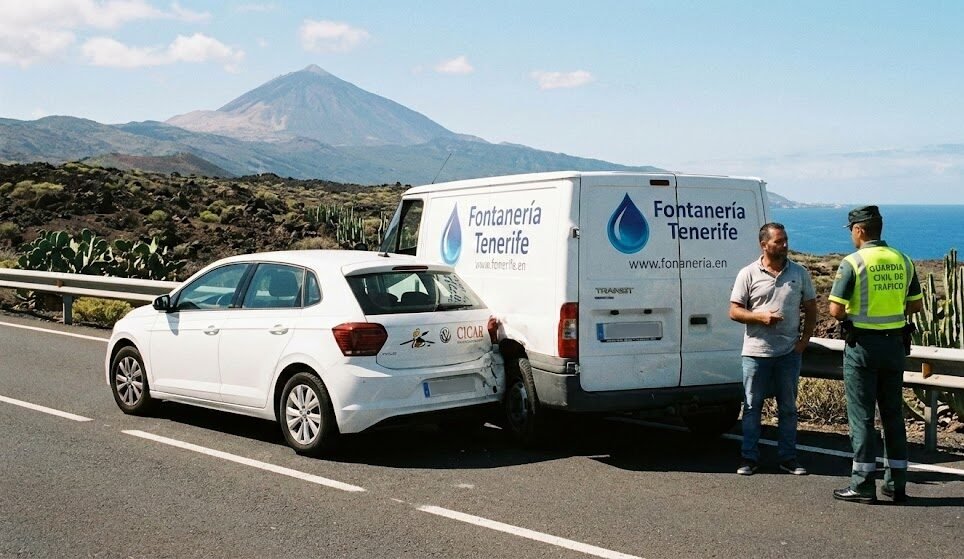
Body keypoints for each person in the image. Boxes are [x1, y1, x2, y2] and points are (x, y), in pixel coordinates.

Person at [829, 205, 923, 504]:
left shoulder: (853, 262)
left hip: (863, 348)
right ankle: (896, 484)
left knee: (862, 418)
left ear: (859, 230)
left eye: (851, 231)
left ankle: (862, 484)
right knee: (893, 415)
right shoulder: (903, 260)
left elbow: (835, 309)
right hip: (895, 346)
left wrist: (856, 314)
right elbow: (916, 305)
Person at [730, 222, 817, 476]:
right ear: (764, 245)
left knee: (788, 408)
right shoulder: (748, 274)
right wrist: (760, 317)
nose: (785, 245)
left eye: (785, 240)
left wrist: (804, 341)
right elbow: (734, 311)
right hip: (755, 353)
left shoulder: (799, 273)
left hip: (788, 353)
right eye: (779, 241)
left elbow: (811, 308)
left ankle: (788, 458)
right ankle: (749, 458)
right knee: (752, 407)